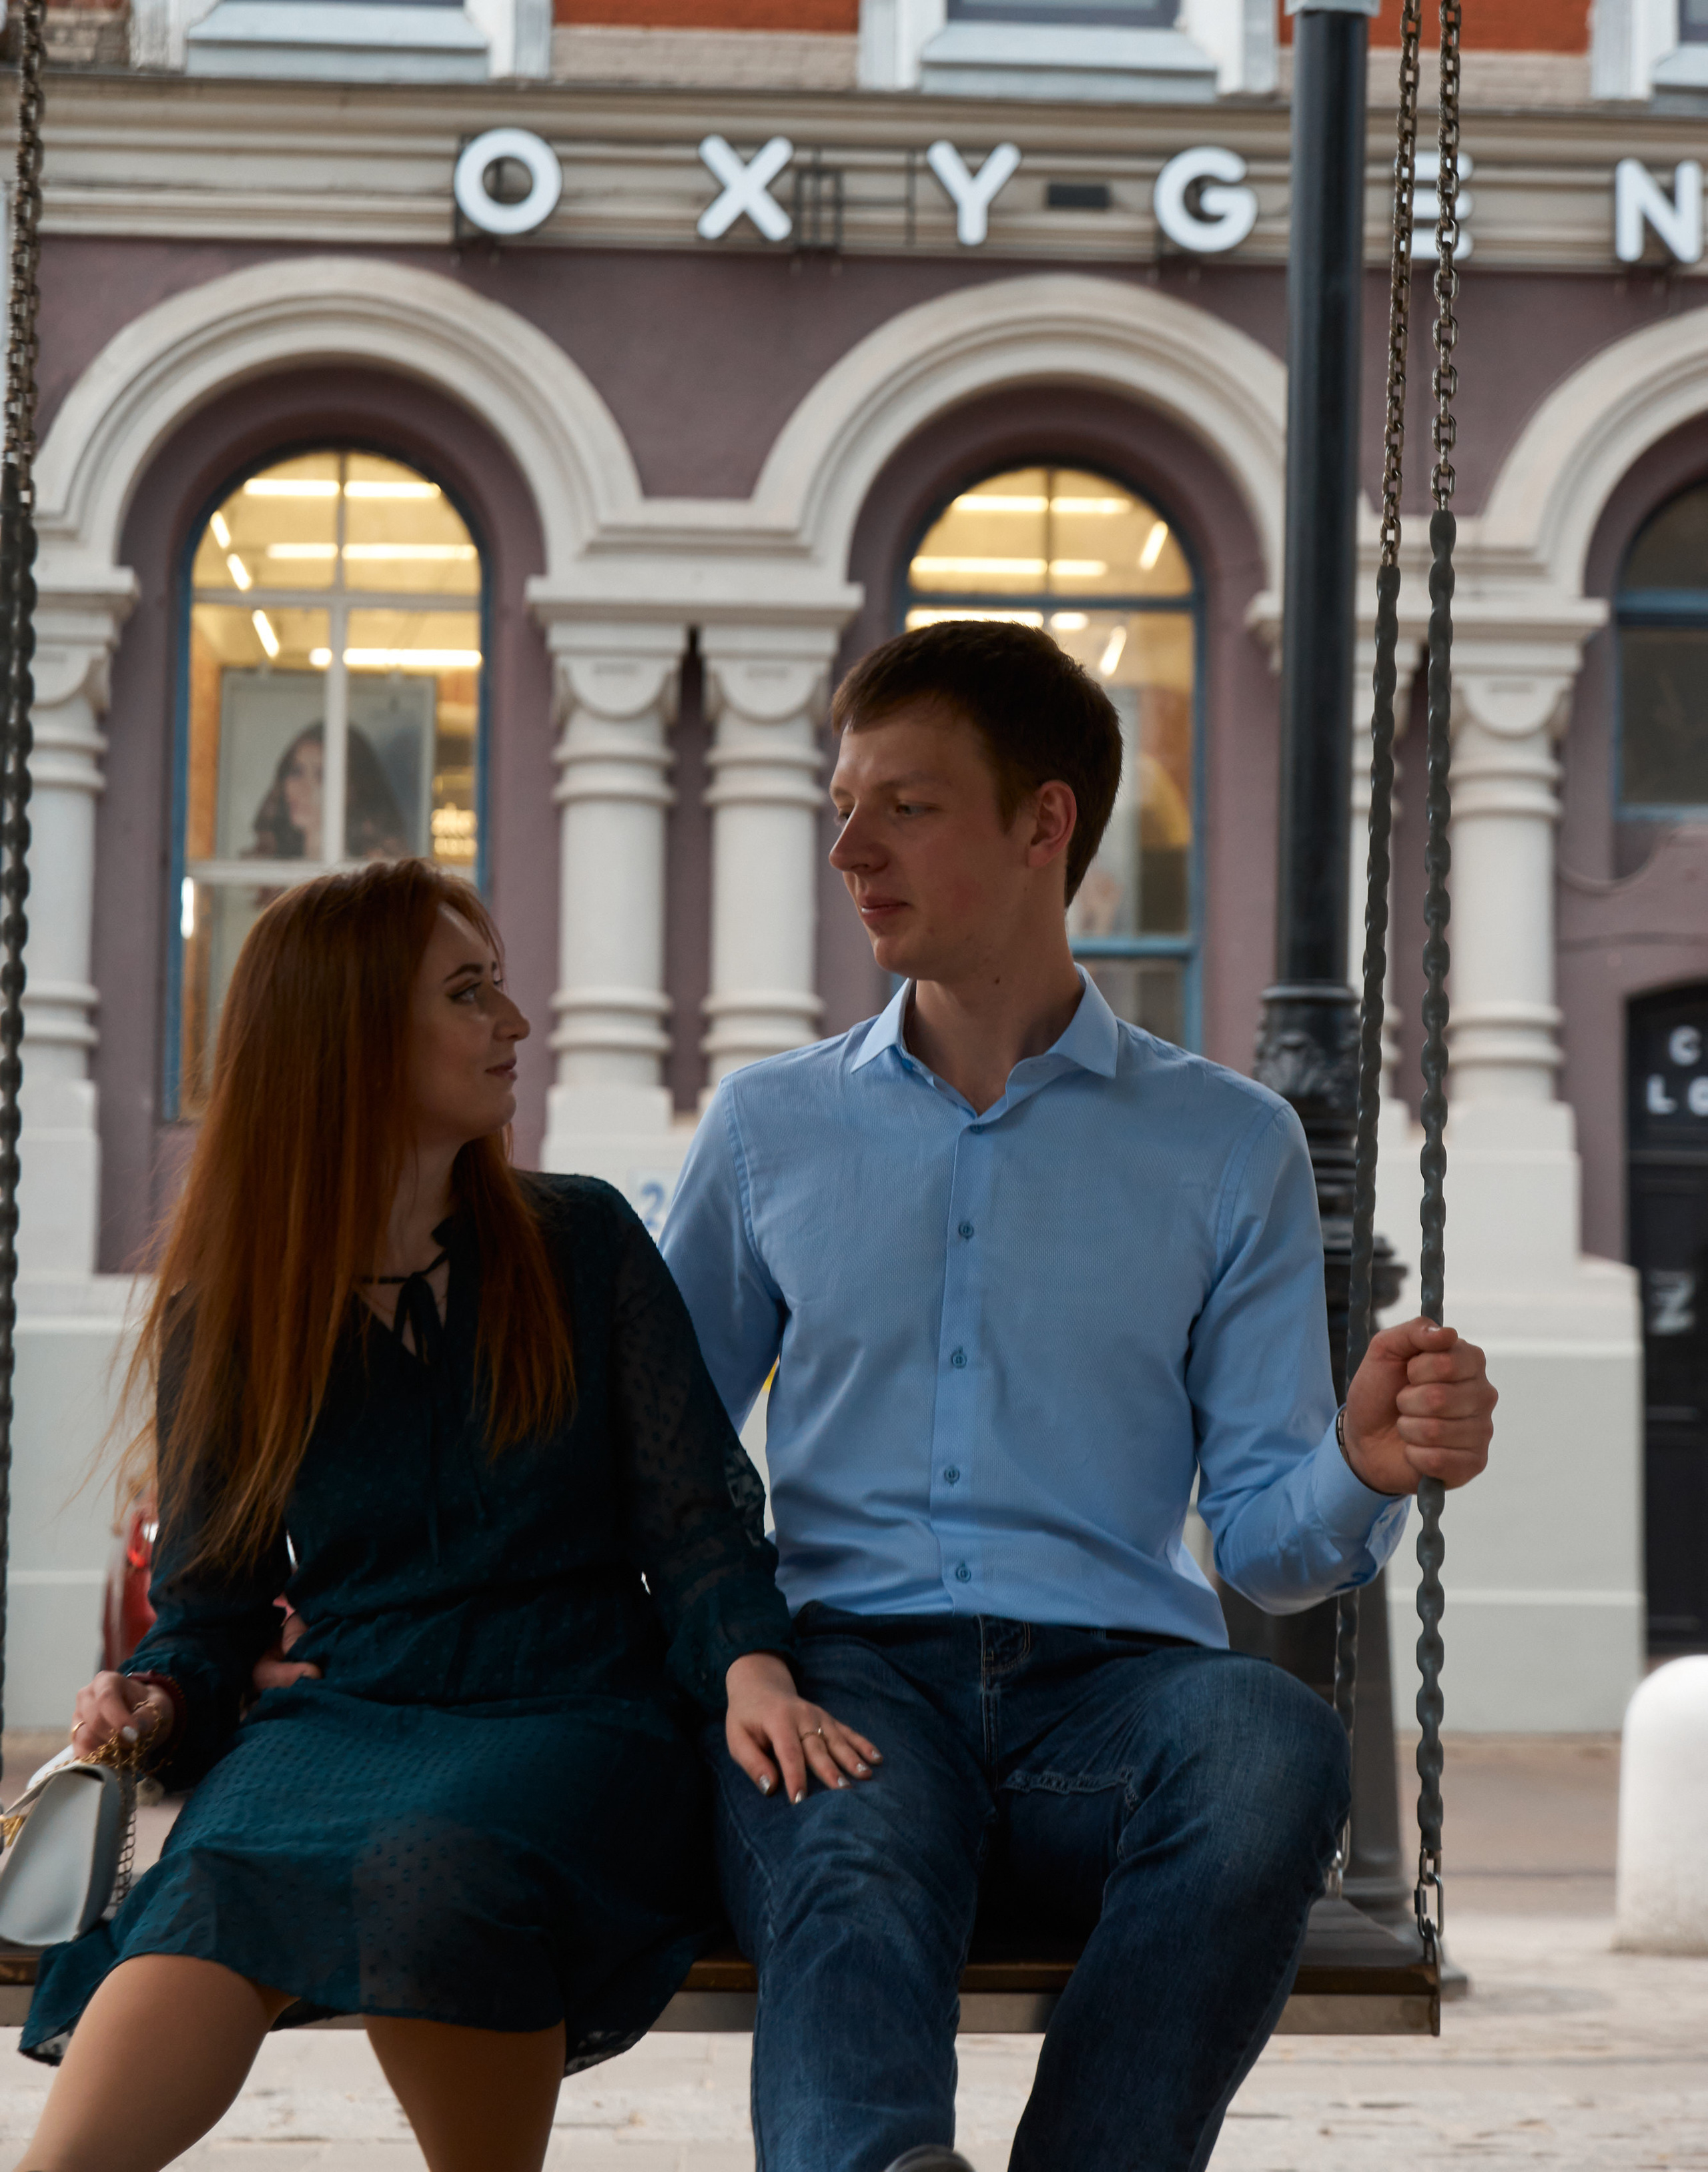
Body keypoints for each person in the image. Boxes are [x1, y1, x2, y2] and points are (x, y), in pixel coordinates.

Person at [659, 618, 1499, 2172]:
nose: (848, 847)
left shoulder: (1223, 1144)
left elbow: (1260, 1542)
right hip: (851, 1673)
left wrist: (1363, 1465)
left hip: (1112, 1702)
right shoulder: (769, 1126)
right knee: (842, 1829)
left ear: (1044, 823)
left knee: (1265, 1742)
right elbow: (657, 1449)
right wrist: (734, 1658)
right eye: (844, 805)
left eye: (904, 806)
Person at [19, 860, 869, 2172]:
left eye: (502, 988)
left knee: (438, 1862)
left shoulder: (579, 1240)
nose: (512, 1026)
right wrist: (151, 1701)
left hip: (575, 1711)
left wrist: (751, 1668)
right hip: (348, 1710)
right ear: (348, 1038)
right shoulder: (229, 1307)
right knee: (214, 1868)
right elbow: (208, 1610)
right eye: (469, 995)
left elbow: (695, 1516)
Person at [245, 720, 411, 863]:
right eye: (296, 771)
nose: (302, 788)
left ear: (352, 789)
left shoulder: (370, 876)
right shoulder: (267, 870)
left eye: (322, 776)